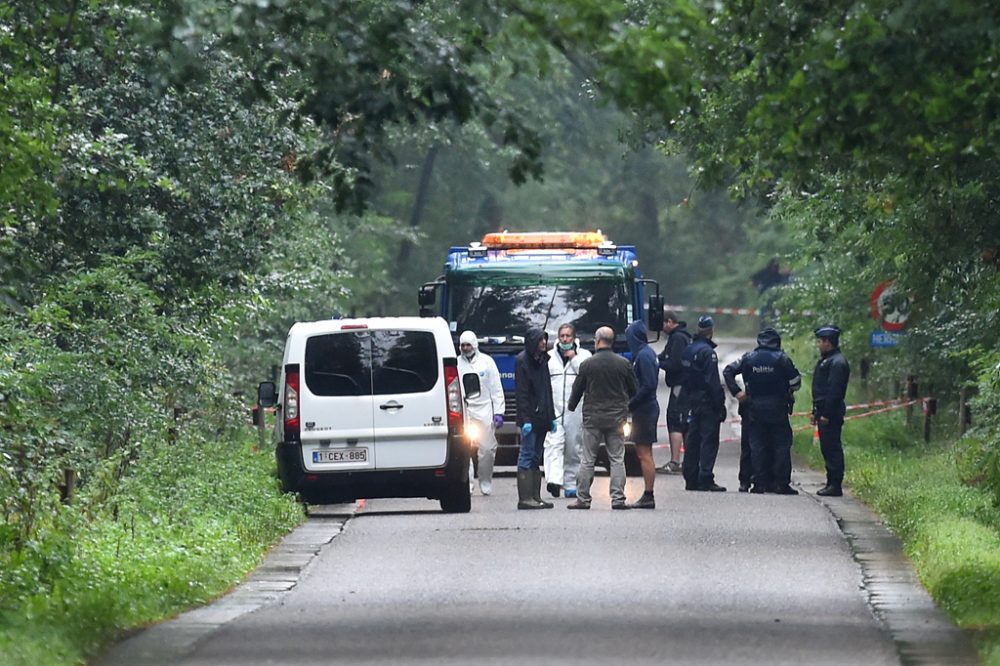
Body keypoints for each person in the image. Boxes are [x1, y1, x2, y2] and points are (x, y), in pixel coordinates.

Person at [565, 326, 638, 510]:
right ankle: (618, 499)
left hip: (593, 419)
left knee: (587, 459)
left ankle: (583, 498)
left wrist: (571, 406)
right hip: (616, 418)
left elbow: (577, 389)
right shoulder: (623, 363)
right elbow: (634, 389)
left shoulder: (588, 364)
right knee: (617, 459)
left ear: (597, 341)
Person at [723, 327, 802, 494]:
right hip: (777, 407)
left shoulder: (749, 358)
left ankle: (759, 483)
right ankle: (781, 483)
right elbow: (796, 382)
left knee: (756, 445)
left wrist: (737, 392)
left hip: (754, 407)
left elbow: (728, 370)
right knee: (781, 444)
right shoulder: (782, 359)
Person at [543, 323, 591, 498]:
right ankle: (554, 481)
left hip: (575, 410)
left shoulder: (585, 356)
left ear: (574, 337)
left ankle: (571, 484)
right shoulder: (548, 357)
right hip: (554, 409)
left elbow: (587, 376)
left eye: (568, 336)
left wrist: (574, 358)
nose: (564, 339)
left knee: (573, 447)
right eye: (562, 336)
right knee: (552, 445)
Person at [681, 315, 727, 492]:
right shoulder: (708, 353)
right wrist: (719, 405)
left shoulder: (688, 350)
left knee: (693, 440)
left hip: (691, 401)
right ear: (711, 331)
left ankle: (690, 477)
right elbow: (712, 382)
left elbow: (683, 377)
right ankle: (705, 477)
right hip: (707, 402)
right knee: (709, 440)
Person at [458, 331, 505, 496]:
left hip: (484, 409)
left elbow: (496, 389)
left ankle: (485, 482)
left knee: (487, 449)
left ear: (474, 345)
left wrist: (499, 412)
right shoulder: (456, 364)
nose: (465, 348)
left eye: (468, 345)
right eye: (463, 345)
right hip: (465, 409)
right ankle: (468, 484)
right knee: (464, 449)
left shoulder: (487, 362)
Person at [515, 328, 557, 509]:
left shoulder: (543, 361)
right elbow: (522, 393)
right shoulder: (523, 361)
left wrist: (551, 416)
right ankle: (525, 498)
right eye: (540, 340)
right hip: (530, 418)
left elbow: (547, 390)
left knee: (535, 456)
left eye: (544, 340)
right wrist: (525, 419)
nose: (543, 343)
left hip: (542, 417)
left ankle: (535, 496)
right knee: (526, 454)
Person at [812, 325, 851, 497]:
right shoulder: (828, 360)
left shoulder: (837, 363)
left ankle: (835, 484)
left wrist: (827, 414)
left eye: (820, 342)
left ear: (828, 342)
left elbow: (834, 392)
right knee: (826, 448)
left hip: (831, 413)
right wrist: (816, 411)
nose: (818, 345)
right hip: (823, 411)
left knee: (832, 448)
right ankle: (830, 481)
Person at [626, 320, 659, 509]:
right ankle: (648, 492)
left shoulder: (644, 356)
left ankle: (648, 494)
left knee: (644, 453)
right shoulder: (644, 354)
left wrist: (631, 403)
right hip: (645, 408)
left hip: (645, 409)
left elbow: (648, 385)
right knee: (644, 452)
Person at [656, 310, 691, 474]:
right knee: (683, 420)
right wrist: (657, 358)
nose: (662, 329)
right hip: (683, 384)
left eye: (662, 325)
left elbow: (674, 363)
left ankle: (675, 460)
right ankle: (687, 460)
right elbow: (664, 355)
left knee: (675, 419)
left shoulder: (677, 338)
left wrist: (658, 364)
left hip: (680, 384)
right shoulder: (680, 336)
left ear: (669, 322)